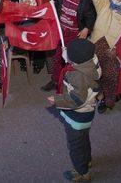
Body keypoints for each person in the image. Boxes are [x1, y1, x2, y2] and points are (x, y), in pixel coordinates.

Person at [48, 38, 101, 182]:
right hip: (87, 113)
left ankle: (81, 171)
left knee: (76, 144)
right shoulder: (90, 62)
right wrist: (68, 53)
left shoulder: (78, 76)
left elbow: (77, 100)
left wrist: (57, 100)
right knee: (83, 139)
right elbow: (75, 59)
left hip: (78, 115)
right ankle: (87, 160)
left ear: (75, 60)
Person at [41, 0, 96, 92]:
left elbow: (92, 15)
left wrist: (86, 29)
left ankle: (71, 84)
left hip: (76, 35)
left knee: (72, 60)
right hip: (61, 32)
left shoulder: (85, 1)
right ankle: (55, 80)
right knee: (58, 56)